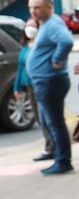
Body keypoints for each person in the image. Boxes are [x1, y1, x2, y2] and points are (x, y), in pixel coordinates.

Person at [26, 0, 74, 175]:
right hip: (44, 80)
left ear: (49, 7)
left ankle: (63, 160)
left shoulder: (52, 23)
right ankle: (57, 155)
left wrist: (57, 59)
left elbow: (67, 41)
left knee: (54, 122)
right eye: (31, 7)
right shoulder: (45, 24)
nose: (33, 11)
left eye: (37, 7)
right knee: (48, 121)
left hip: (50, 81)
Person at [16, 18, 53, 155]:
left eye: (33, 26)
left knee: (47, 118)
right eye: (28, 26)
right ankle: (49, 146)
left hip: (41, 84)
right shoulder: (25, 47)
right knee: (38, 118)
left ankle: (52, 148)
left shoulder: (42, 45)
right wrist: (17, 87)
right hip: (29, 86)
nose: (30, 28)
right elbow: (20, 68)